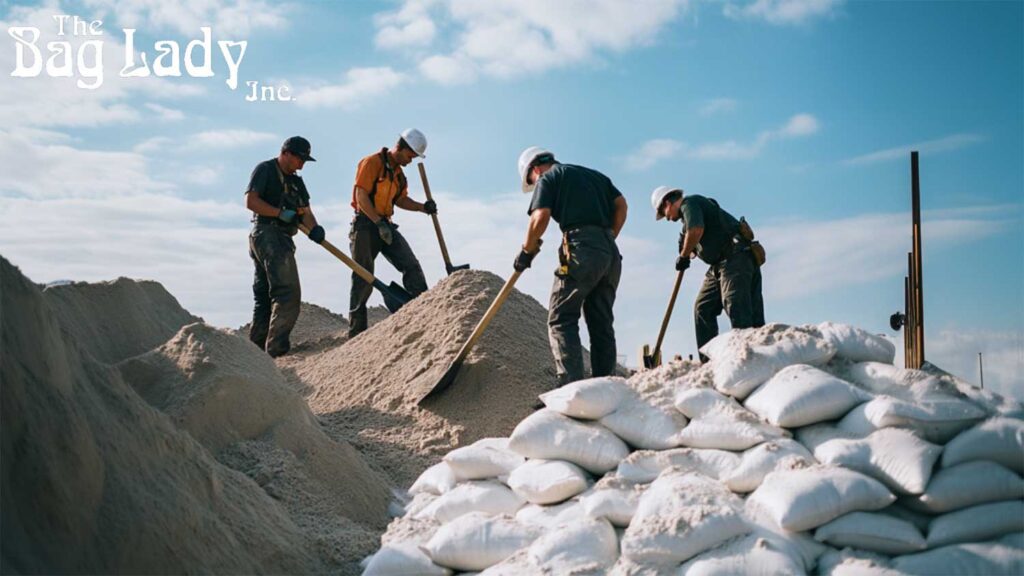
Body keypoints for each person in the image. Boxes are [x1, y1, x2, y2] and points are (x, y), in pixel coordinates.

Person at [515, 146, 628, 386]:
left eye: (532, 181)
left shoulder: (549, 177)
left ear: (535, 169)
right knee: (601, 323)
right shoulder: (594, 175)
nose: (536, 185)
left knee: (561, 317)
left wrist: (526, 251)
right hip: (610, 255)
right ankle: (606, 386)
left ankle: (570, 386)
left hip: (581, 250)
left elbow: (540, 216)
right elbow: (621, 205)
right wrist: (607, 238)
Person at [651, 185, 765, 362]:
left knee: (737, 305)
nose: (666, 218)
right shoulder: (685, 225)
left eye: (663, 213)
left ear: (667, 202)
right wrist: (686, 253)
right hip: (719, 265)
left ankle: (751, 357)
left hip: (736, 258)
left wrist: (683, 256)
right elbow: (689, 241)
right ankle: (709, 362)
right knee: (703, 308)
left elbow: (696, 230)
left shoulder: (690, 203)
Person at [348, 128, 435, 338]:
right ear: (400, 147)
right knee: (363, 276)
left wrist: (423, 207)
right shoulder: (372, 163)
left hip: (386, 225)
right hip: (365, 225)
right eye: (410, 156)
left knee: (411, 265)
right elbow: (361, 195)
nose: (411, 161)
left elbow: (401, 200)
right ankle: (356, 332)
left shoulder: (399, 176)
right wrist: (378, 223)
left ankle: (424, 313)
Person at [245, 136, 326, 357]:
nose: (302, 164)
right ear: (287, 153)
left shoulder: (296, 182)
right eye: (300, 158)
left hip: (281, 237)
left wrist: (315, 229)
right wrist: (280, 213)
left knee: (264, 297)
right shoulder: (266, 170)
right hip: (267, 234)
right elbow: (251, 201)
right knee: (287, 293)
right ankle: (276, 351)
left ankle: (255, 354)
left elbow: (305, 212)